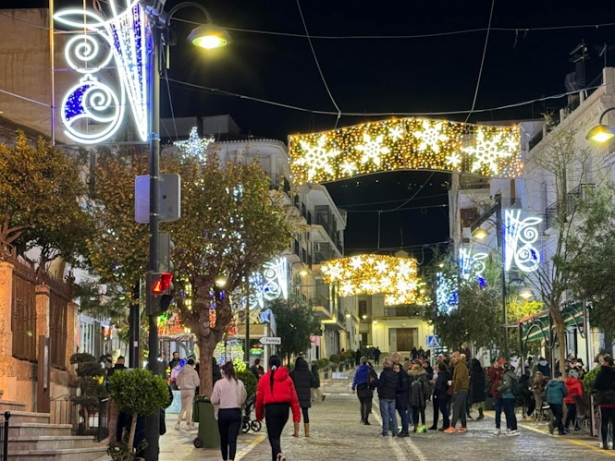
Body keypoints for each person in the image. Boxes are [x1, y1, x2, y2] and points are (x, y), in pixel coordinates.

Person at [256, 355, 301, 461]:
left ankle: (279, 454)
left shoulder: (264, 379)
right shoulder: (288, 379)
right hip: (284, 411)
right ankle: (276, 456)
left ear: (269, 365)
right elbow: (294, 400)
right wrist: (296, 416)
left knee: (273, 436)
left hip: (271, 410)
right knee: (276, 436)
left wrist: (259, 414)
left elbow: (259, 399)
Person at [211, 361, 247, 461]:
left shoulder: (219, 383)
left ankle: (225, 459)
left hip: (223, 413)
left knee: (224, 439)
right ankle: (231, 459)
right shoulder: (239, 383)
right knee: (233, 439)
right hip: (236, 412)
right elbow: (244, 397)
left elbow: (213, 399)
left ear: (224, 371)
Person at [593, 354, 615, 450]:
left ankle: (605, 442)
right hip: (614, 399)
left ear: (606, 362)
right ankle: (614, 443)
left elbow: (596, 385)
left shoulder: (601, 373)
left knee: (604, 422)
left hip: (604, 399)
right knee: (614, 422)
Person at [290, 357, 314, 437]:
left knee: (296, 413)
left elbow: (289, 382)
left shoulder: (293, 373)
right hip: (306, 396)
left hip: (296, 396)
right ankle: (307, 433)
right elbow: (313, 382)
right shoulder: (309, 373)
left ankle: (296, 432)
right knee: (305, 413)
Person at [445, 352, 469, 434]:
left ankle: (453, 426)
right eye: (452, 357)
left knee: (456, 407)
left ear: (459, 357)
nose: (453, 358)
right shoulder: (460, 366)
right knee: (462, 408)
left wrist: (455, 389)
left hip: (461, 389)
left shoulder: (460, 366)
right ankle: (463, 426)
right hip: (463, 389)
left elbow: (459, 379)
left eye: (454, 357)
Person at [106, 356, 126, 447]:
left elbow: (107, 383)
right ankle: (121, 439)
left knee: (113, 419)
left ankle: (111, 439)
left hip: (113, 396)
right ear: (123, 361)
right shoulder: (126, 371)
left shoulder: (111, 371)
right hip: (123, 398)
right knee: (123, 420)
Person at [376, 357, 399, 437]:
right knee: (393, 414)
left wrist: (374, 382)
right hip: (392, 396)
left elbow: (380, 383)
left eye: (384, 363)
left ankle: (385, 430)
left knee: (385, 414)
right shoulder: (395, 374)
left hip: (384, 396)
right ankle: (395, 430)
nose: (383, 364)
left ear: (388, 364)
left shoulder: (384, 373)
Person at [175, 358, 200, 430]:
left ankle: (178, 423)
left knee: (183, 407)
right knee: (189, 407)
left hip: (183, 390)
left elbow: (177, 383)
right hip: (191, 390)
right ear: (193, 364)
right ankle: (188, 424)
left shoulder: (181, 371)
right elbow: (197, 383)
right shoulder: (194, 372)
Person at [499, 363, 520, 436]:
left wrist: (499, 389)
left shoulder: (506, 375)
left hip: (507, 395)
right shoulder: (513, 375)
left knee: (509, 413)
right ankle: (513, 428)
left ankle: (513, 429)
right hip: (513, 395)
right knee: (511, 413)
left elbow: (507, 384)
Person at [408, 363, 430, 433]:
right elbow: (426, 387)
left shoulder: (410, 376)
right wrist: (427, 396)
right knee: (422, 413)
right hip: (422, 397)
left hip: (413, 397)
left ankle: (415, 427)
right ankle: (423, 427)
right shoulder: (423, 376)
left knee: (415, 413)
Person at [352, 357, 373, 424]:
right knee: (367, 403)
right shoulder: (369, 369)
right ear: (366, 361)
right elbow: (374, 376)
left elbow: (355, 378)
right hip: (367, 387)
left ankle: (362, 418)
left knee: (362, 403)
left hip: (360, 387)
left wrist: (353, 387)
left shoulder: (358, 369)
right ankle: (366, 418)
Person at [546, 370, 568, 436]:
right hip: (557, 401)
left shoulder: (549, 383)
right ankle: (553, 425)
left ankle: (561, 430)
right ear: (560, 377)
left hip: (550, 401)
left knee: (557, 415)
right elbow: (565, 393)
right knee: (560, 416)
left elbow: (546, 391)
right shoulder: (560, 384)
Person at [488, 359, 506, 435]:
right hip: (497, 392)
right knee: (498, 410)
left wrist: (504, 369)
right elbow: (491, 377)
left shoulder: (505, 370)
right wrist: (494, 368)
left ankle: (509, 427)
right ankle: (497, 427)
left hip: (505, 393)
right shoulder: (495, 370)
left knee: (507, 411)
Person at [432, 362, 451, 431]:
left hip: (440, 395)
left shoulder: (441, 376)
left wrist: (436, 394)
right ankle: (445, 424)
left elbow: (439, 386)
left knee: (443, 410)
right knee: (444, 410)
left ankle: (445, 425)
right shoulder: (447, 375)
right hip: (445, 394)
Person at [393, 363, 410, 437]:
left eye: (396, 368)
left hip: (402, 397)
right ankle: (404, 430)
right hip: (400, 397)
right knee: (402, 414)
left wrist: (397, 390)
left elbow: (404, 387)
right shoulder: (399, 375)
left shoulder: (402, 376)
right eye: (394, 368)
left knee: (403, 414)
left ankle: (405, 430)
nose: (395, 370)